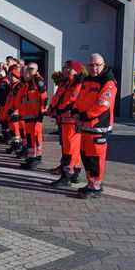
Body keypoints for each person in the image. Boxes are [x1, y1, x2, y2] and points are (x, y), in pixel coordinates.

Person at [72, 53, 117, 199]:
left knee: (95, 159)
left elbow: (102, 105)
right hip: (86, 126)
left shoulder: (108, 82)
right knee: (86, 157)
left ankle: (96, 187)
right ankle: (92, 183)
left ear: (103, 65)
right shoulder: (88, 79)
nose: (94, 68)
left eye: (97, 65)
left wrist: (83, 116)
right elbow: (79, 98)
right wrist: (75, 112)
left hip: (98, 127)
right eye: (91, 65)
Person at [48, 60, 85, 187]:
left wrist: (58, 109)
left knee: (70, 149)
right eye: (64, 67)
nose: (65, 69)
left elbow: (71, 100)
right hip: (64, 120)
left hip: (71, 121)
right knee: (69, 148)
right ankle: (74, 173)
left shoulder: (78, 82)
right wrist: (52, 108)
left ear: (74, 70)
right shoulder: (66, 82)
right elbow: (58, 98)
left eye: (68, 68)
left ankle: (67, 176)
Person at [18, 63, 47, 170]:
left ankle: (36, 159)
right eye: (28, 69)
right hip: (28, 116)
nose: (28, 71)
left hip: (35, 116)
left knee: (35, 138)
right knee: (30, 138)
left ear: (36, 70)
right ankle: (32, 158)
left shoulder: (38, 81)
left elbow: (43, 97)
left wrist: (41, 113)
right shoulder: (28, 83)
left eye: (31, 69)